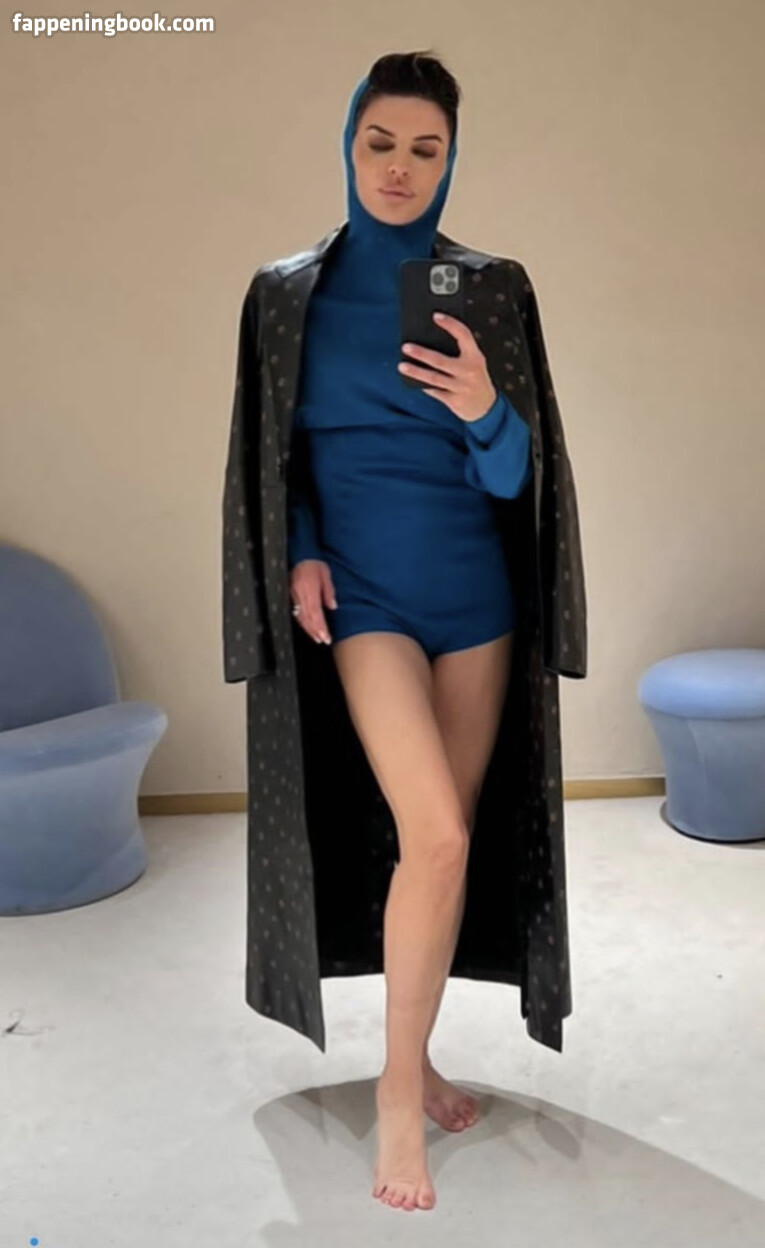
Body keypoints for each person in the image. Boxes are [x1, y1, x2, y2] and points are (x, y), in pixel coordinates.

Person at [285, 52, 535, 1212]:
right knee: (433, 834)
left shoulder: (487, 287)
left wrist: (486, 409)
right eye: (380, 142)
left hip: (474, 602)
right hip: (368, 602)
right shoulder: (289, 295)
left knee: (442, 846)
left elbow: (518, 476)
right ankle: (397, 1097)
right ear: (349, 144)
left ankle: (417, 1056)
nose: (399, 168)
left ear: (450, 160)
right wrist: (301, 546)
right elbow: (277, 456)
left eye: (425, 149)